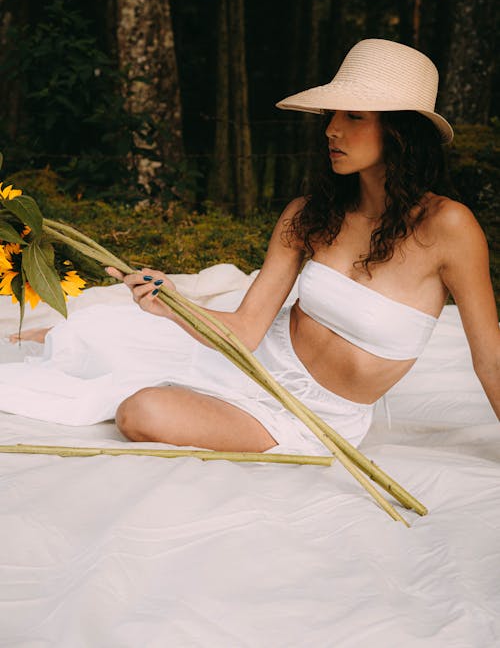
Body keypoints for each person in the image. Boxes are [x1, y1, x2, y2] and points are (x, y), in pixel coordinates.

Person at [3, 38, 499, 454]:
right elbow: (245, 329)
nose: (331, 129)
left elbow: (490, 359)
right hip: (247, 360)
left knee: (139, 412)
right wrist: (173, 306)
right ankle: (54, 339)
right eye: (331, 115)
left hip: (314, 417)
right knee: (111, 332)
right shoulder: (310, 214)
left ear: (400, 131)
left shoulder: (448, 227)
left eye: (353, 116)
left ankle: (67, 343)